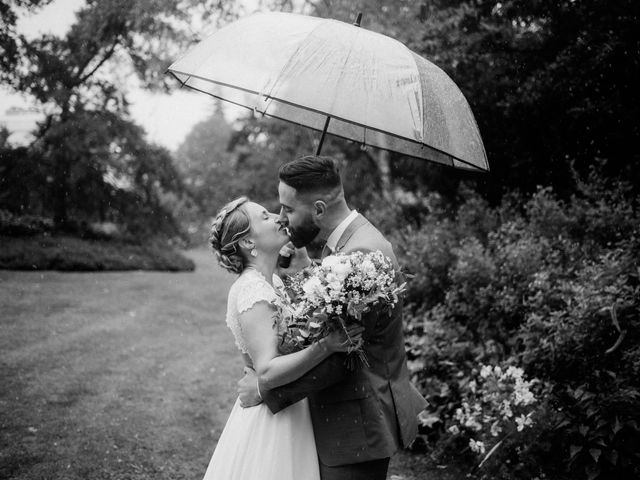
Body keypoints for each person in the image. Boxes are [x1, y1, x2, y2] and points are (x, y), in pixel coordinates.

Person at [238, 155, 428, 480]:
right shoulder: (343, 244)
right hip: (351, 418)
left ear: (319, 210)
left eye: (289, 209)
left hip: (359, 422)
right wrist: (307, 269)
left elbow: (345, 352)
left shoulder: (362, 254)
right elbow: (332, 319)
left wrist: (266, 389)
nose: (282, 218)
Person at [204, 196, 363, 480]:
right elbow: (266, 370)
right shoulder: (253, 291)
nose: (278, 217)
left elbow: (297, 333)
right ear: (247, 243)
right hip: (271, 421)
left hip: (288, 407)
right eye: (264, 217)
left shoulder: (273, 282)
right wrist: (327, 346)